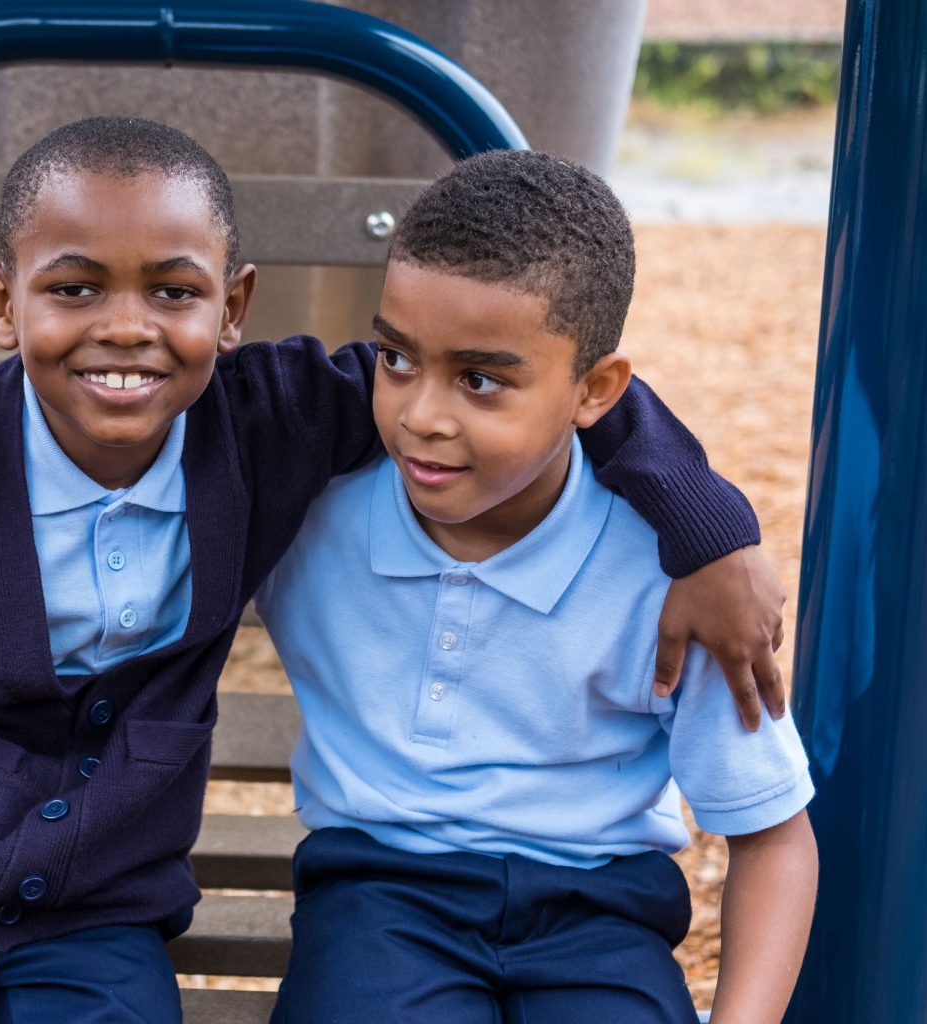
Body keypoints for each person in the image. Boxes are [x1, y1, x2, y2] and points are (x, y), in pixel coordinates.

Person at [0, 117, 779, 1024]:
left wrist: (708, 528)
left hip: (93, 925)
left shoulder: (271, 425)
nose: (124, 327)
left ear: (232, 307)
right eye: (73, 287)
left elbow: (536, 376)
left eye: (174, 291)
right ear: (0, 300)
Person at [255, 150, 817, 1024]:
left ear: (595, 390)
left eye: (481, 380)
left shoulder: (676, 575)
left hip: (602, 918)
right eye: (397, 358)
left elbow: (773, 833)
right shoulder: (307, 509)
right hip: (380, 900)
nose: (422, 415)